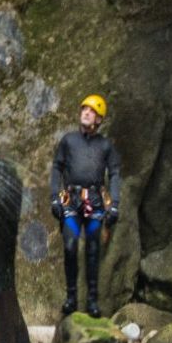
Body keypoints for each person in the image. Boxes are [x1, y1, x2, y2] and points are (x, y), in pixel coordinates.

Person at [49, 94, 122, 318]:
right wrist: (54, 197)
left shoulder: (105, 146)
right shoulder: (69, 141)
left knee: (92, 250)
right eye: (84, 109)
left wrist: (115, 204)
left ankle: (92, 301)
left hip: (95, 204)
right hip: (71, 201)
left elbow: (116, 173)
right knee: (70, 247)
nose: (86, 113)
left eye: (91, 111)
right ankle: (71, 298)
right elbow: (56, 168)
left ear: (99, 119)